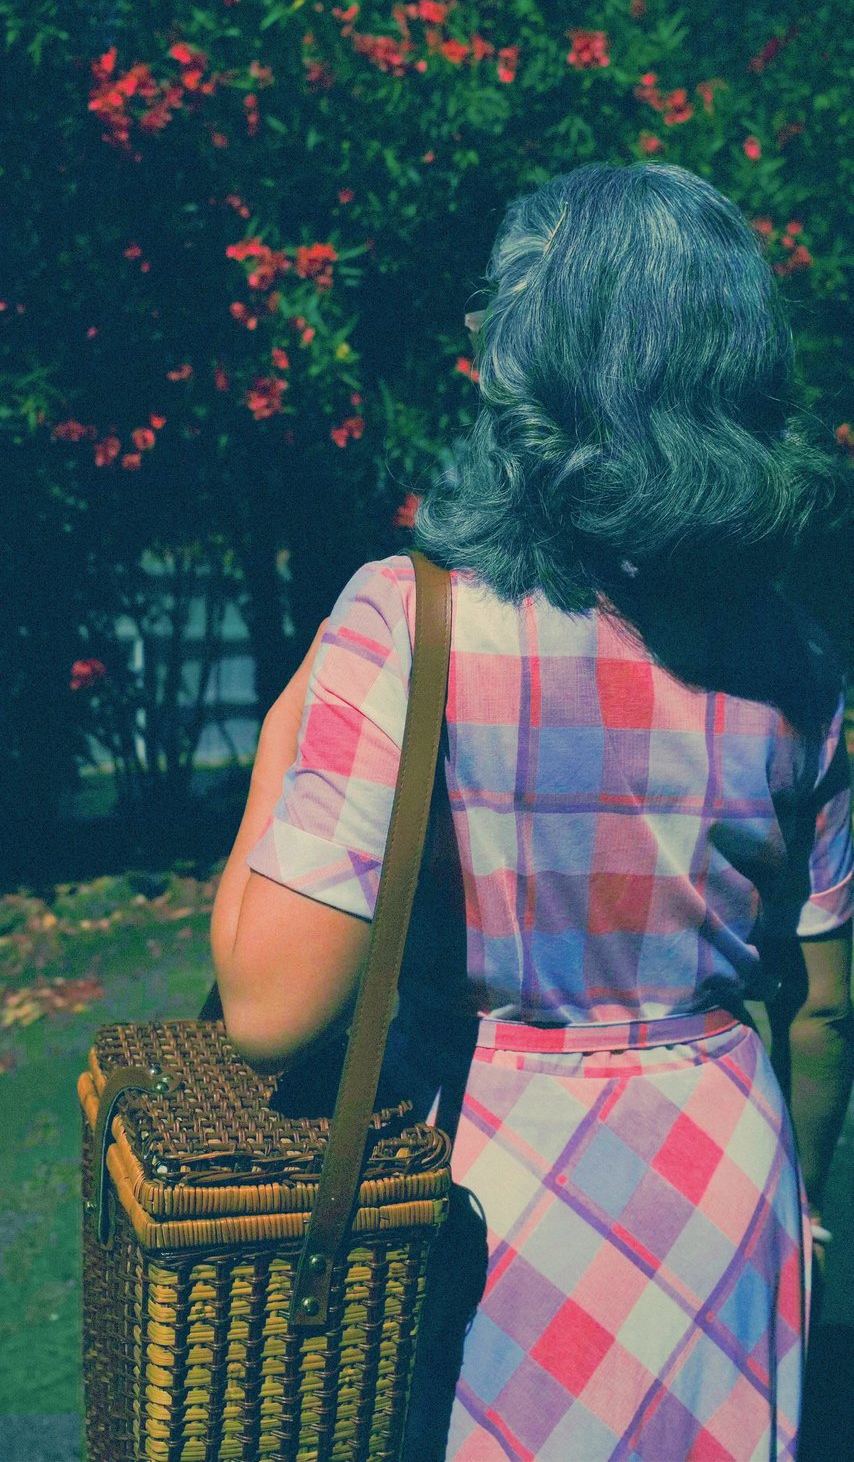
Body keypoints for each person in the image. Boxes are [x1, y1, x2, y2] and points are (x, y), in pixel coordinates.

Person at [211, 161, 854, 1460]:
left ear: (529, 363)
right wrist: (801, 1201)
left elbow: (270, 1007)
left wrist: (284, 732)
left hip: (489, 1198)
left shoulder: (412, 619)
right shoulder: (797, 658)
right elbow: (822, 1005)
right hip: (725, 1195)